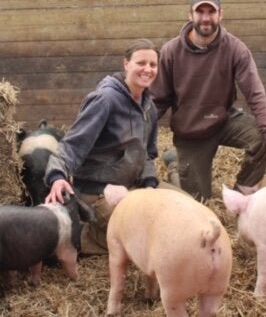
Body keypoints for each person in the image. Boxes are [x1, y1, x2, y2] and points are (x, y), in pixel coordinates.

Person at [150, 0, 266, 200]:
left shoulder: (235, 49)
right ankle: (175, 165)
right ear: (190, 15)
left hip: (223, 120)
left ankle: (241, 194)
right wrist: (137, 132)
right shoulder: (171, 51)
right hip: (190, 133)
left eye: (212, 12)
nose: (206, 18)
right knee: (198, 202)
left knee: (263, 137)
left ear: (221, 14)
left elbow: (256, 95)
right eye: (200, 12)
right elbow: (157, 100)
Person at [44, 38, 180, 255]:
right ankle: (81, 235)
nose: (147, 69)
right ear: (126, 64)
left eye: (153, 65)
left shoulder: (149, 107)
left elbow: (147, 154)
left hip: (132, 186)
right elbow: (72, 144)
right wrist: (57, 176)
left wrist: (149, 185)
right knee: (143, 233)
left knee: (185, 208)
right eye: (141, 63)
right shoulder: (105, 100)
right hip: (97, 191)